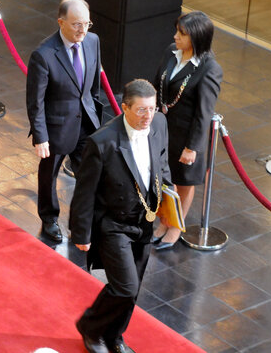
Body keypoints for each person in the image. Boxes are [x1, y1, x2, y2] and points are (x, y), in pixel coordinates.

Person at [70, 79, 173, 353]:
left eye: (151, 109)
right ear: (124, 107)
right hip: (113, 225)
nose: (148, 116)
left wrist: (169, 199)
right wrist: (81, 233)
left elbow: (161, 163)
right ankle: (90, 328)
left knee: (133, 289)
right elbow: (85, 192)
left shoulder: (159, 125)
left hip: (145, 222)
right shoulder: (102, 142)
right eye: (141, 110)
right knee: (125, 287)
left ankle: (114, 336)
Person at [26, 0, 101, 242]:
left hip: (86, 124)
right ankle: (49, 219)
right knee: (49, 176)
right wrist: (41, 137)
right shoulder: (44, 54)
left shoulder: (93, 41)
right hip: (56, 128)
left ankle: (81, 221)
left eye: (87, 24)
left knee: (89, 175)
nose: (82, 30)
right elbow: (35, 101)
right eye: (77, 24)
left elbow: (93, 88)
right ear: (61, 22)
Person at [151, 11, 222, 250]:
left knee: (183, 183)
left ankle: (174, 227)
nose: (176, 36)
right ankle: (163, 221)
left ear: (197, 38)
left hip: (187, 135)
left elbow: (204, 112)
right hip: (164, 129)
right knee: (164, 179)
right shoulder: (172, 51)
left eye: (182, 33)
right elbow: (157, 83)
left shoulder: (209, 68)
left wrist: (192, 147)